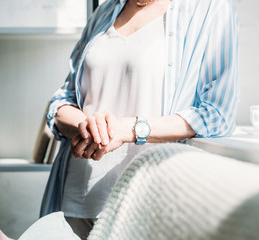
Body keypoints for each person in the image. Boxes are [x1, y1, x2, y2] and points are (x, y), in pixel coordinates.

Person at [40, 0, 239, 239]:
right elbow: (62, 100)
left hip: (145, 205)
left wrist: (130, 129)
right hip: (75, 199)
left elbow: (216, 114)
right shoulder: (104, 11)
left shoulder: (210, 7)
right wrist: (85, 126)